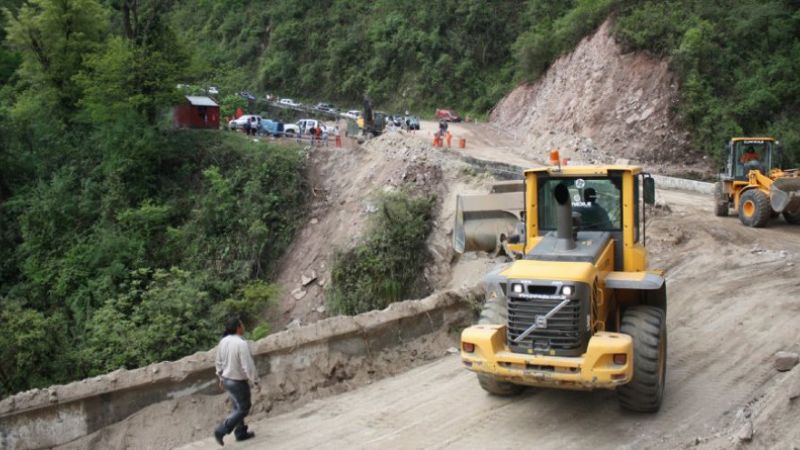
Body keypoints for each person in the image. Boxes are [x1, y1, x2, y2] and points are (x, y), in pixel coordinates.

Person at [213, 316, 260, 446]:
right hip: (237, 381)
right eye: (242, 324)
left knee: (236, 407)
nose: (244, 327)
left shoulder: (223, 342)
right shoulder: (241, 343)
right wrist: (255, 380)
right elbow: (248, 366)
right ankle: (221, 430)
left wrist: (220, 377)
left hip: (227, 380)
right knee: (244, 408)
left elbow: (218, 362)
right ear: (238, 327)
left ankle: (240, 433)